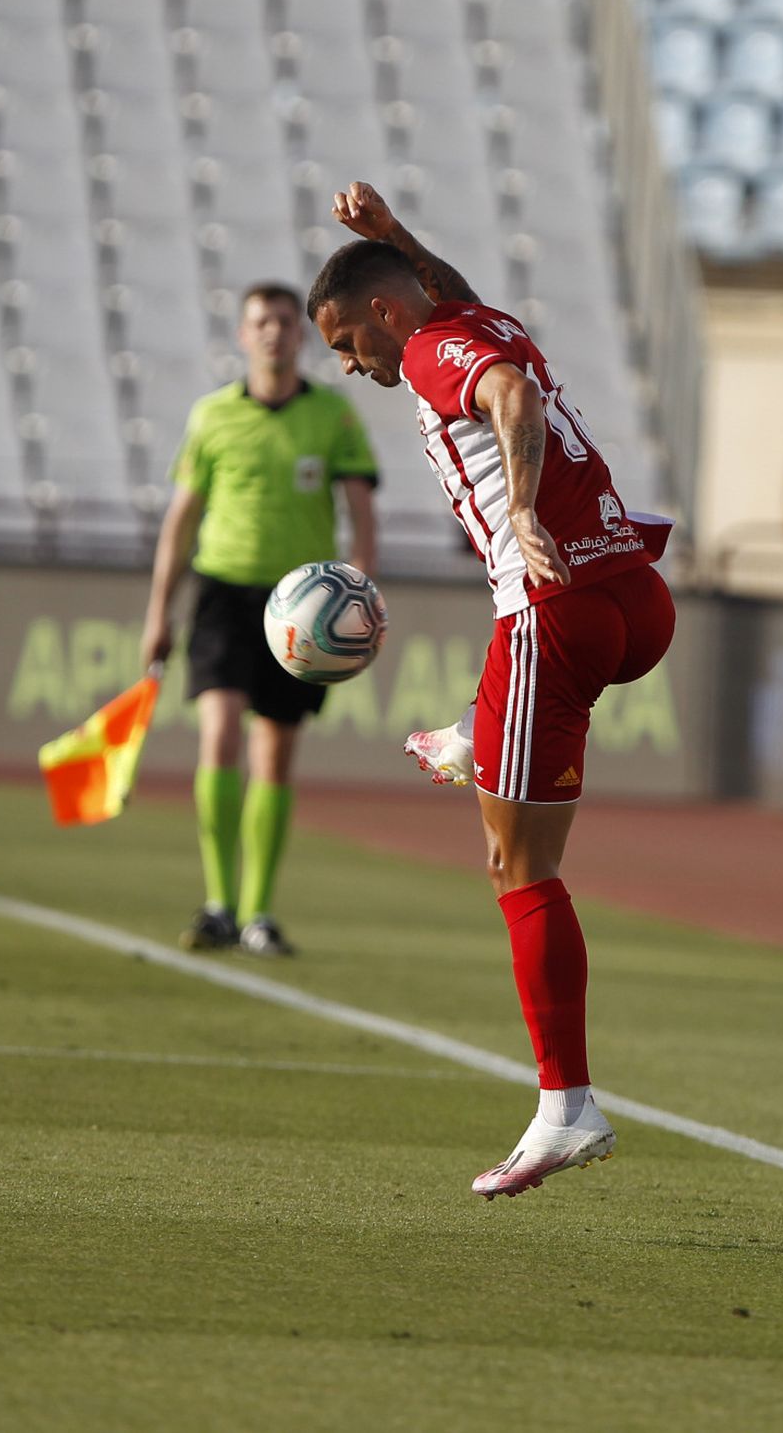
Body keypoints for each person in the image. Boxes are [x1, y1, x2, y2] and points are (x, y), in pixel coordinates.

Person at [306, 182, 676, 1200]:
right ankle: (478, 731)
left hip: (552, 611)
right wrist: (395, 235)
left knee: (517, 867)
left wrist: (519, 509)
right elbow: (465, 314)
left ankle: (567, 1108)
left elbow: (508, 393)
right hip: (634, 601)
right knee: (513, 752)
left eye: (346, 342)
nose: (349, 365)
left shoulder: (433, 350)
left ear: (384, 312)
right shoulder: (473, 316)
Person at [141, 282, 379, 957]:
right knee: (218, 733)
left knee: (273, 752)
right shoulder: (212, 415)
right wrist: (159, 612)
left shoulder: (332, 415)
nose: (273, 332)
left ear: (300, 335)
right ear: (243, 335)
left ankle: (259, 913)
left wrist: (361, 596)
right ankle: (219, 902)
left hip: (301, 607)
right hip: (222, 591)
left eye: (283, 321)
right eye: (260, 322)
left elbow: (362, 514)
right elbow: (181, 520)